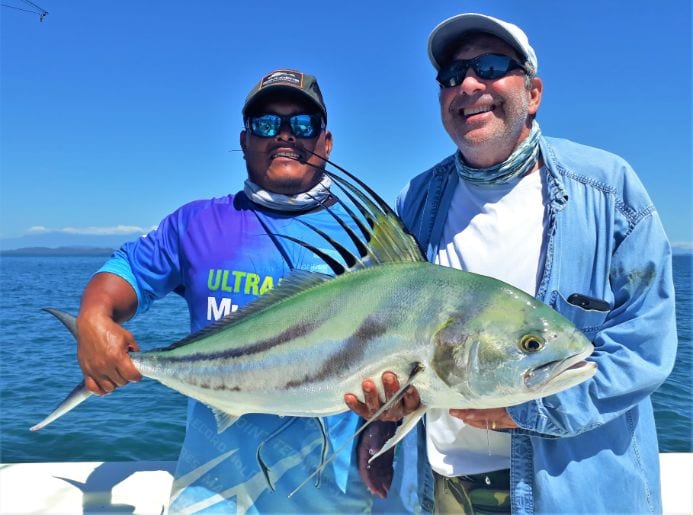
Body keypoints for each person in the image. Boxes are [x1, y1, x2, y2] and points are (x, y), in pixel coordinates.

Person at [346, 13, 677, 514]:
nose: (469, 85)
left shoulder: (609, 188)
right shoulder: (414, 199)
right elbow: (377, 329)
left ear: (533, 93)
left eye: (491, 66)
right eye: (452, 75)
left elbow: (645, 343)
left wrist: (533, 409)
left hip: (568, 492)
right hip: (437, 486)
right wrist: (378, 424)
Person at [74, 68, 425, 513]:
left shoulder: (375, 237)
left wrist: (384, 422)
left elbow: (402, 354)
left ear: (326, 142)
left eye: (303, 124)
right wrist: (93, 317)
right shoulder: (197, 223)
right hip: (209, 496)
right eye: (266, 123)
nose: (284, 134)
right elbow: (126, 271)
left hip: (335, 498)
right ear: (245, 141)